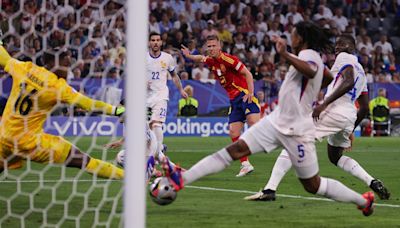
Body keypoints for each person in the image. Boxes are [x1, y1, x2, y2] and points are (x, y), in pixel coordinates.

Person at [164, 22, 375, 216]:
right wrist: (312, 88)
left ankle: (362, 201)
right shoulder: (310, 56)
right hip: (277, 121)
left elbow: (312, 70)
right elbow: (326, 76)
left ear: (300, 38)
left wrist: (285, 54)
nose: (290, 37)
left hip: (297, 129)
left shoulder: (309, 55)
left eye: (293, 34)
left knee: (313, 185)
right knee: (235, 150)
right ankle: (182, 179)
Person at [244, 34, 390, 202]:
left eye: (341, 44)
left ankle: (270, 189)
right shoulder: (362, 71)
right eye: (336, 44)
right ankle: (372, 181)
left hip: (334, 110)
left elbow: (348, 80)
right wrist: (350, 128)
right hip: (348, 114)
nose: (337, 47)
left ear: (351, 47)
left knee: (293, 139)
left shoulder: (344, 58)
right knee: (335, 157)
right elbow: (364, 107)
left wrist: (325, 104)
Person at [0, 44, 125, 179]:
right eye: (65, 64)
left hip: (4, 136)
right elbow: (88, 104)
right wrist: (117, 110)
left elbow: (4, 58)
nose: (68, 69)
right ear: (52, 62)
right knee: (83, 160)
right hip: (29, 142)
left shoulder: (25, 68)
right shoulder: (57, 86)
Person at [181, 35, 260, 177]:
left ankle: (280, 138)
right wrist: (189, 56)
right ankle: (245, 164)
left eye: (213, 46)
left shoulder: (228, 59)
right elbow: (201, 58)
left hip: (243, 94)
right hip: (233, 100)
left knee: (254, 123)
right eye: (209, 46)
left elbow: (247, 73)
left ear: (219, 47)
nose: (211, 49)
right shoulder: (211, 61)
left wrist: (250, 92)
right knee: (233, 132)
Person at [147, 32, 188, 154]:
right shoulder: (142, 58)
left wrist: (181, 90)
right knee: (148, 128)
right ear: (149, 43)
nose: (155, 42)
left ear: (161, 42)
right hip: (146, 97)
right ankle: (157, 149)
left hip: (161, 95)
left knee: (156, 124)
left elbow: (174, 76)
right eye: (153, 40)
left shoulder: (167, 58)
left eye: (157, 40)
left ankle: (158, 153)